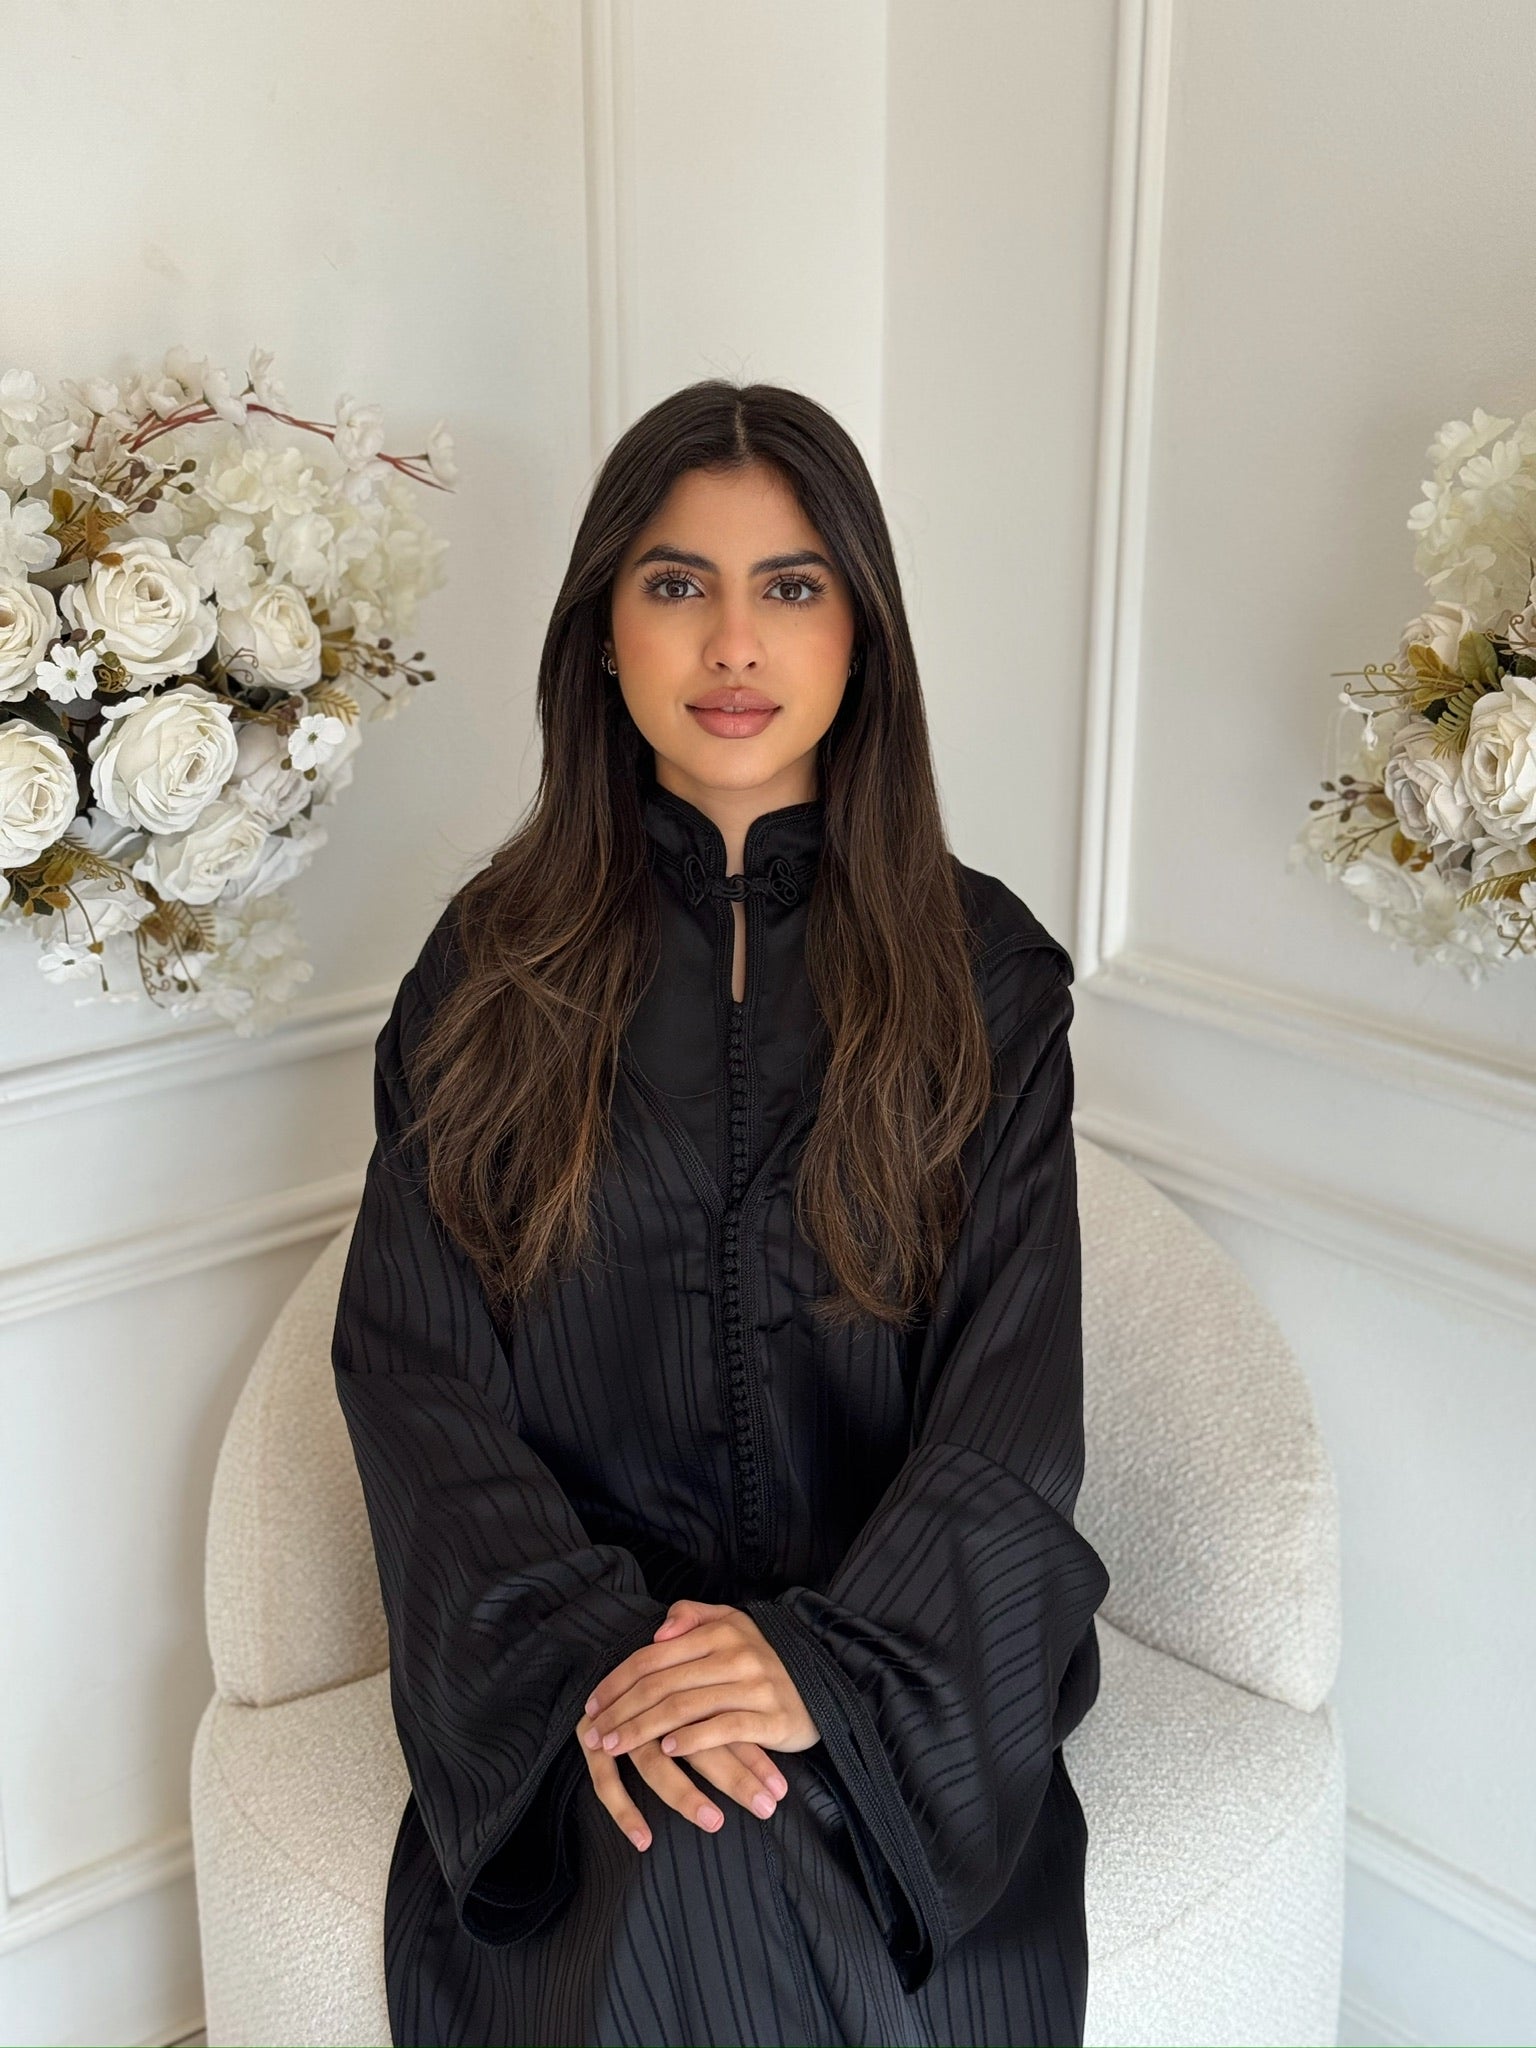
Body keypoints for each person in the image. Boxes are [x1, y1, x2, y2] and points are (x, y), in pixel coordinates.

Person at [330, 378, 1112, 2048]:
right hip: (574, 1688)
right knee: (685, 1865)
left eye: (794, 585)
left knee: (764, 1856)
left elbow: (1009, 1404)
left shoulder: (988, 982)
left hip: (898, 1674)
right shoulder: (484, 975)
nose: (735, 644)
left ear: (863, 638)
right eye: (679, 585)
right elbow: (415, 1382)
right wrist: (610, 1662)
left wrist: (816, 1668)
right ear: (604, 635)